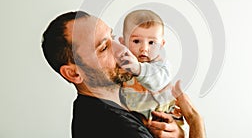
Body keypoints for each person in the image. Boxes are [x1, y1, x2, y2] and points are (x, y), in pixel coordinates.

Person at [41, 10, 206, 138]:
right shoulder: (117, 129)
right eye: (104, 47)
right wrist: (195, 121)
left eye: (112, 37)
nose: (122, 50)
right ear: (74, 73)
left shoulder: (118, 107)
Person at [116, 9, 176, 121]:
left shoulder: (161, 66)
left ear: (161, 44)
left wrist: (138, 69)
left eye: (151, 42)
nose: (144, 48)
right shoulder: (121, 64)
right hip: (133, 121)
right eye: (136, 41)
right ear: (123, 42)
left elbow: (157, 82)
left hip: (163, 117)